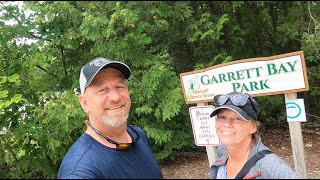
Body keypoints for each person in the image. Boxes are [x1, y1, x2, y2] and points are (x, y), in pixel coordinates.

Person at [58, 57, 163, 179]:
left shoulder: (137, 135)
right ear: (85, 103)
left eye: (119, 86)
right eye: (102, 90)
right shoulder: (80, 169)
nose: (115, 97)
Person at [208, 92, 299, 179]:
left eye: (237, 119)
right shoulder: (223, 150)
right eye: (222, 117)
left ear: (253, 127)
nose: (227, 124)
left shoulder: (271, 166)